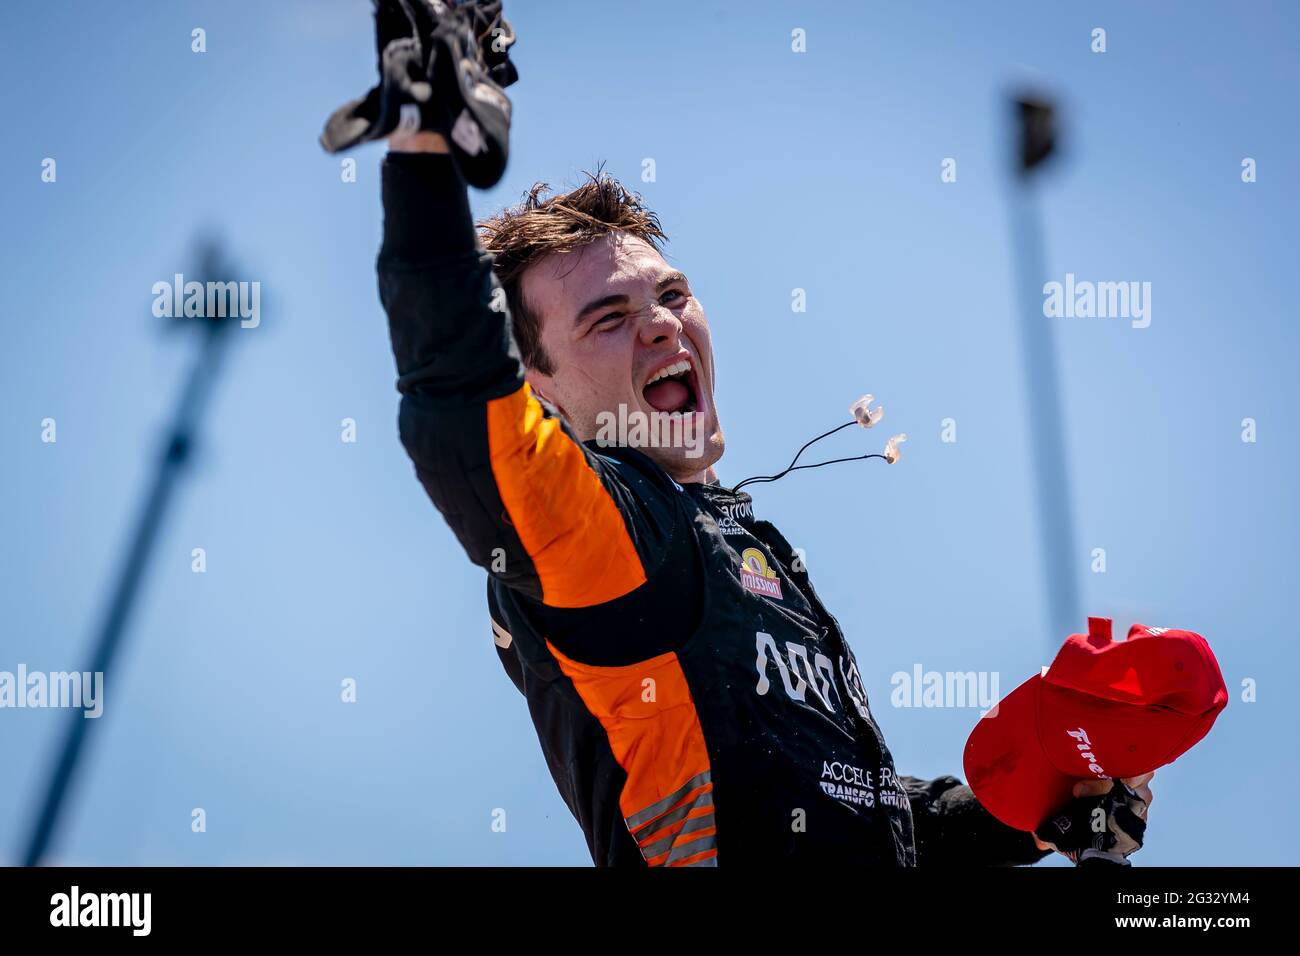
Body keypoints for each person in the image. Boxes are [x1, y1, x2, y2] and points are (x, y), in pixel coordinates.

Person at [325, 0, 1154, 867]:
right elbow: (467, 419)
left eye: (673, 296)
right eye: (607, 318)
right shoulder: (615, 536)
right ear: (541, 393)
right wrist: (423, 149)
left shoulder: (735, 545)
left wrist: (1037, 807)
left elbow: (845, 807)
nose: (660, 326)